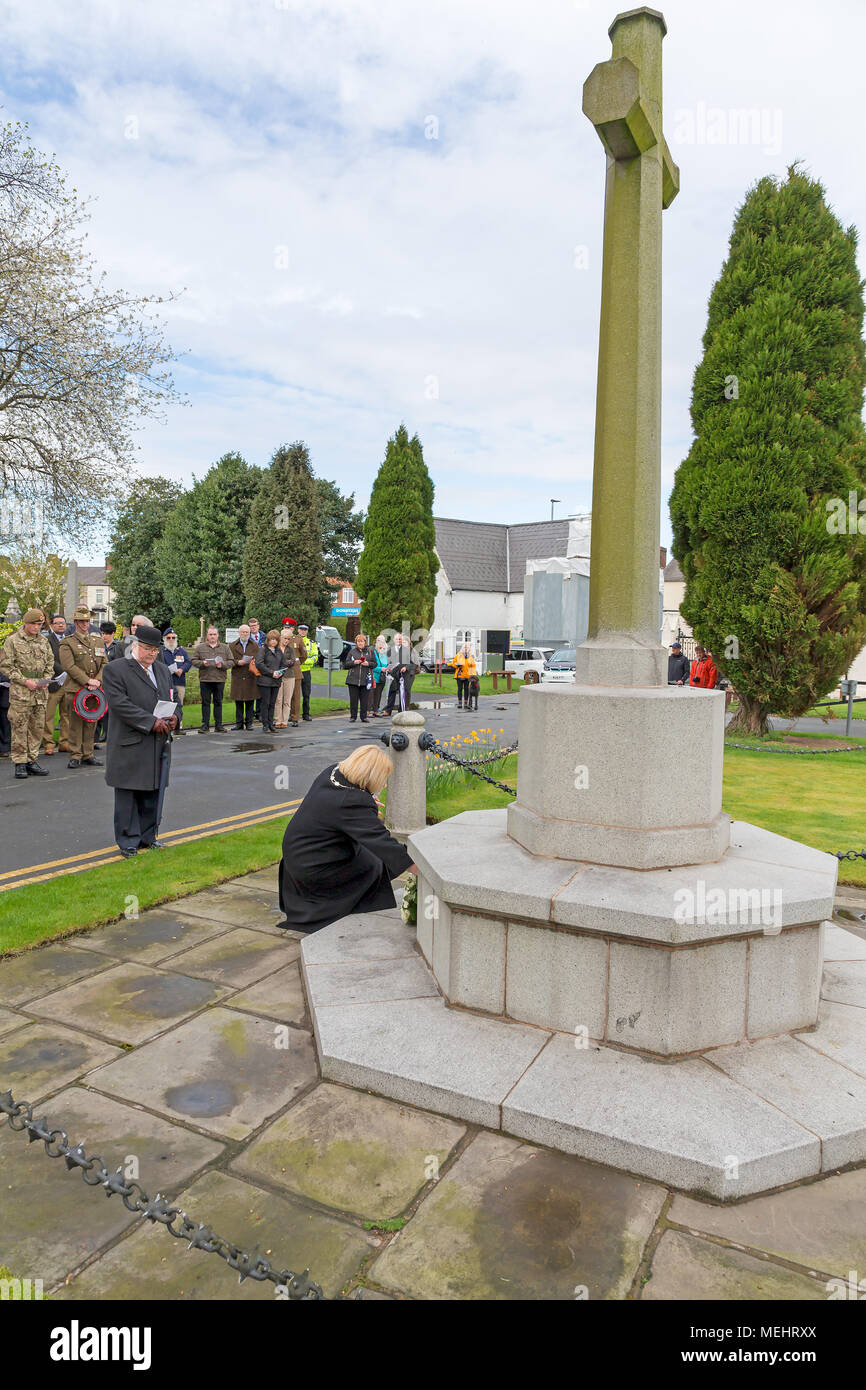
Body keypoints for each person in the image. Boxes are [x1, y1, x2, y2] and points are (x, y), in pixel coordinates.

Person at [277, 744, 417, 933]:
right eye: (383, 779)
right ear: (370, 777)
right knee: (375, 863)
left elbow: (333, 807)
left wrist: (367, 799)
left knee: (368, 855)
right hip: (315, 868)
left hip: (299, 856)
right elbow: (383, 844)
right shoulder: (353, 801)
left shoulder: (333, 772)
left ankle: (352, 901)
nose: (384, 785)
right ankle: (341, 908)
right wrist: (421, 871)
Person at [102, 623, 178, 857]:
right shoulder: (116, 670)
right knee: (128, 794)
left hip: (157, 742)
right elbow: (120, 704)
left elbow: (172, 698)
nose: (152, 654)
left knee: (152, 792)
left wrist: (176, 718)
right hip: (131, 741)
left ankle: (148, 837)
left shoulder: (163, 670)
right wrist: (150, 721)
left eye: (156, 650)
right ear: (135, 646)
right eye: (147, 649)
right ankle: (128, 841)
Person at [0, 609, 54, 778]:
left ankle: (32, 760)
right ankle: (20, 763)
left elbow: (50, 662)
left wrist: (46, 679)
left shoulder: (44, 641)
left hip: (40, 694)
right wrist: (25, 681)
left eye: (39, 624)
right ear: (26, 623)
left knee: (37, 728)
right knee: (19, 727)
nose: (37, 627)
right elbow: (6, 666)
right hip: (21, 693)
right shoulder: (13, 641)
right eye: (34, 624)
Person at [59, 604, 108, 769]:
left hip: (95, 689)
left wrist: (98, 681)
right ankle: (75, 755)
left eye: (87, 621)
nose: (85, 624)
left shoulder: (98, 640)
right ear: (76, 622)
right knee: (75, 723)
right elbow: (69, 666)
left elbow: (105, 663)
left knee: (91, 722)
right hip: (76, 688)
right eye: (81, 621)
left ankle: (88, 754)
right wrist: (88, 681)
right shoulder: (68, 642)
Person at [191, 626, 233, 731]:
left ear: (218, 635)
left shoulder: (225, 648)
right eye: (210, 634)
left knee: (218, 702)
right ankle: (205, 725)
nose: (212, 636)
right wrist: (202, 663)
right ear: (207, 635)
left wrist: (222, 665)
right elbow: (193, 660)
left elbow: (231, 661)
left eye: (214, 634)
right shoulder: (200, 647)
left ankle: (218, 725)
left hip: (219, 679)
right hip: (205, 679)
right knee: (205, 703)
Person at [42, 613, 72, 755]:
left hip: (69, 683)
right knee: (49, 715)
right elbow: (49, 658)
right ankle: (48, 743)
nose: (61, 625)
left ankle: (64, 742)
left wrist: (69, 672)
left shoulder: (70, 640)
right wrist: (63, 670)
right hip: (54, 682)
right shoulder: (47, 640)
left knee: (66, 715)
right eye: (58, 623)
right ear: (52, 625)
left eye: (63, 623)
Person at [94, 621, 121, 744]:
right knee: (98, 708)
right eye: (103, 633)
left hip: (113, 681)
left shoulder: (118, 646)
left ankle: (107, 732)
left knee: (110, 710)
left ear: (113, 634)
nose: (104, 636)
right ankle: (96, 736)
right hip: (100, 680)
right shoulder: (98, 646)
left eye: (107, 634)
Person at [161, 628, 192, 733]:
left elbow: (188, 662)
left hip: (179, 682)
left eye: (173, 638)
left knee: (179, 705)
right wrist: (168, 669)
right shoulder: (161, 652)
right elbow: (158, 665)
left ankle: (178, 727)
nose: (171, 640)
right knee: (165, 705)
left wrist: (181, 669)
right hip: (166, 683)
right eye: (168, 638)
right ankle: (165, 726)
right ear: (164, 639)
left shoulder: (181, 651)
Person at [229, 624, 259, 730]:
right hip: (238, 675)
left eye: (246, 632)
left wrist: (252, 662)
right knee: (239, 701)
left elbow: (259, 659)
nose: (244, 634)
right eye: (242, 632)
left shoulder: (255, 645)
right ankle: (239, 723)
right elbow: (229, 660)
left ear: (249, 633)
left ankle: (249, 723)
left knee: (250, 701)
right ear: (239, 633)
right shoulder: (232, 645)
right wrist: (238, 662)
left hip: (250, 675)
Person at [343, 631, 376, 723]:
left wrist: (368, 663)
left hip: (365, 680)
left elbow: (375, 664)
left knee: (364, 700)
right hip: (353, 680)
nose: (360, 643)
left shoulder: (370, 652)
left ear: (365, 642)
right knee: (353, 700)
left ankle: (363, 717)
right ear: (356, 643)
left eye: (362, 641)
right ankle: (353, 716)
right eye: (358, 641)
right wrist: (354, 662)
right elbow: (345, 664)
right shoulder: (352, 652)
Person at [255, 629, 284, 733]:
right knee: (265, 703)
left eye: (276, 640)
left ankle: (271, 724)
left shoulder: (279, 651)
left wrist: (281, 672)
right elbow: (259, 664)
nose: (274, 642)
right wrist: (272, 673)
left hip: (276, 681)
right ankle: (265, 724)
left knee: (272, 703)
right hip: (265, 681)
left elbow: (283, 664)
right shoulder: (263, 650)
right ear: (268, 640)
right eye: (272, 639)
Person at [385, 632, 419, 715]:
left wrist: (406, 667)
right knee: (392, 691)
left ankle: (403, 709)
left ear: (408, 642)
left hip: (408, 674)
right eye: (401, 641)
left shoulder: (411, 650)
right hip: (395, 674)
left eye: (404, 641)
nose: (402, 642)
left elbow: (414, 664)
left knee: (405, 691)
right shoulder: (396, 650)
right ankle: (389, 710)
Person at [272, 625, 299, 729]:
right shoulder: (275, 648)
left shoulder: (290, 649)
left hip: (289, 676)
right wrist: (285, 662)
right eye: (285, 638)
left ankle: (285, 721)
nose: (286, 641)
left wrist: (284, 662)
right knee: (278, 699)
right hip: (278, 676)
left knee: (287, 700)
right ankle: (278, 720)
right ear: (280, 637)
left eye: (288, 639)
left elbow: (293, 662)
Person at [283, 618, 306, 727]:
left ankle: (295, 718)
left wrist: (297, 663)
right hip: (282, 671)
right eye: (285, 627)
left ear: (293, 629)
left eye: (289, 627)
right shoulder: (279, 639)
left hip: (295, 671)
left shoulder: (298, 640)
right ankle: (283, 717)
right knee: (281, 696)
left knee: (295, 696)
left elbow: (303, 655)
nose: (286, 629)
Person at [297, 622, 318, 721]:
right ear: (298, 630)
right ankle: (292, 715)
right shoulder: (293, 641)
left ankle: (306, 714)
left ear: (307, 631)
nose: (303, 631)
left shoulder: (312, 643)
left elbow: (315, 657)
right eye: (301, 629)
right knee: (293, 695)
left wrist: (304, 662)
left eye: (305, 630)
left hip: (306, 671)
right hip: (295, 671)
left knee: (306, 694)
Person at [247, 617, 264, 723]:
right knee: (250, 690)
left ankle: (259, 712)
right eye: (251, 626)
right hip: (249, 667)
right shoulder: (246, 637)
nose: (253, 628)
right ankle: (250, 713)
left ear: (258, 626)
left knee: (261, 691)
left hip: (262, 667)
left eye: (255, 625)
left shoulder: (265, 637)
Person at [368, 634, 390, 717]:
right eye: (379, 641)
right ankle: (369, 710)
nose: (380, 643)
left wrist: (388, 668)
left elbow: (386, 664)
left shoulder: (384, 654)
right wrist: (381, 669)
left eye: (382, 641)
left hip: (382, 677)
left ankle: (376, 709)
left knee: (378, 694)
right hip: (374, 676)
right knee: (371, 694)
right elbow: (371, 665)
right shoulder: (372, 652)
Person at [453, 642, 477, 710]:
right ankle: (460, 703)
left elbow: (473, 667)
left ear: (469, 649)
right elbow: (453, 663)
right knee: (460, 689)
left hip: (467, 676)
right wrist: (456, 665)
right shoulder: (458, 655)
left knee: (466, 690)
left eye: (467, 648)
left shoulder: (470, 657)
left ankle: (466, 703)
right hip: (459, 676)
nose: (466, 649)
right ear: (462, 648)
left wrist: (473, 676)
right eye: (464, 647)